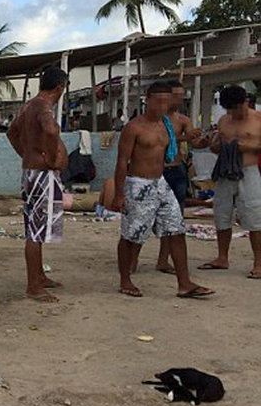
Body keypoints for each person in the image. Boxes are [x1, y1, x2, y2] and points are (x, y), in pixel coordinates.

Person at [110, 81, 213, 298]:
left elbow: (175, 145)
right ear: (147, 100)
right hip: (138, 184)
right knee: (132, 234)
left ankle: (184, 283)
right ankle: (125, 279)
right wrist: (119, 194)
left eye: (167, 102)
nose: (162, 106)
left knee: (176, 230)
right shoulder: (134, 127)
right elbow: (122, 161)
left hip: (161, 183)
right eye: (158, 101)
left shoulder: (166, 125)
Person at [6, 67, 69, 303]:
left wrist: (26, 154)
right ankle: (33, 285)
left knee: (37, 227)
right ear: (60, 87)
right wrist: (52, 157)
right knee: (36, 230)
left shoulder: (29, 106)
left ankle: (39, 276)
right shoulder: (43, 107)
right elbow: (51, 130)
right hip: (42, 174)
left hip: (31, 171)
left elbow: (12, 133)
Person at [197, 85, 261, 278]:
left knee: (254, 216)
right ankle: (222, 257)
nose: (232, 113)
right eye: (229, 109)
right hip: (225, 172)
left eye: (236, 108)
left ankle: (259, 262)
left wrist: (246, 145)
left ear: (245, 102)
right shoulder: (224, 120)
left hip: (248, 171)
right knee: (222, 213)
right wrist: (215, 145)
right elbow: (216, 147)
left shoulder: (258, 120)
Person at [154, 80, 201, 274]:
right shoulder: (156, 119)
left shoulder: (183, 120)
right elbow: (162, 139)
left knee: (174, 217)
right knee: (147, 215)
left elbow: (194, 142)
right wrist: (184, 138)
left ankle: (163, 260)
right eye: (177, 95)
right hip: (158, 170)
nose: (180, 99)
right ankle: (132, 259)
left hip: (177, 169)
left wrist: (200, 139)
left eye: (182, 95)